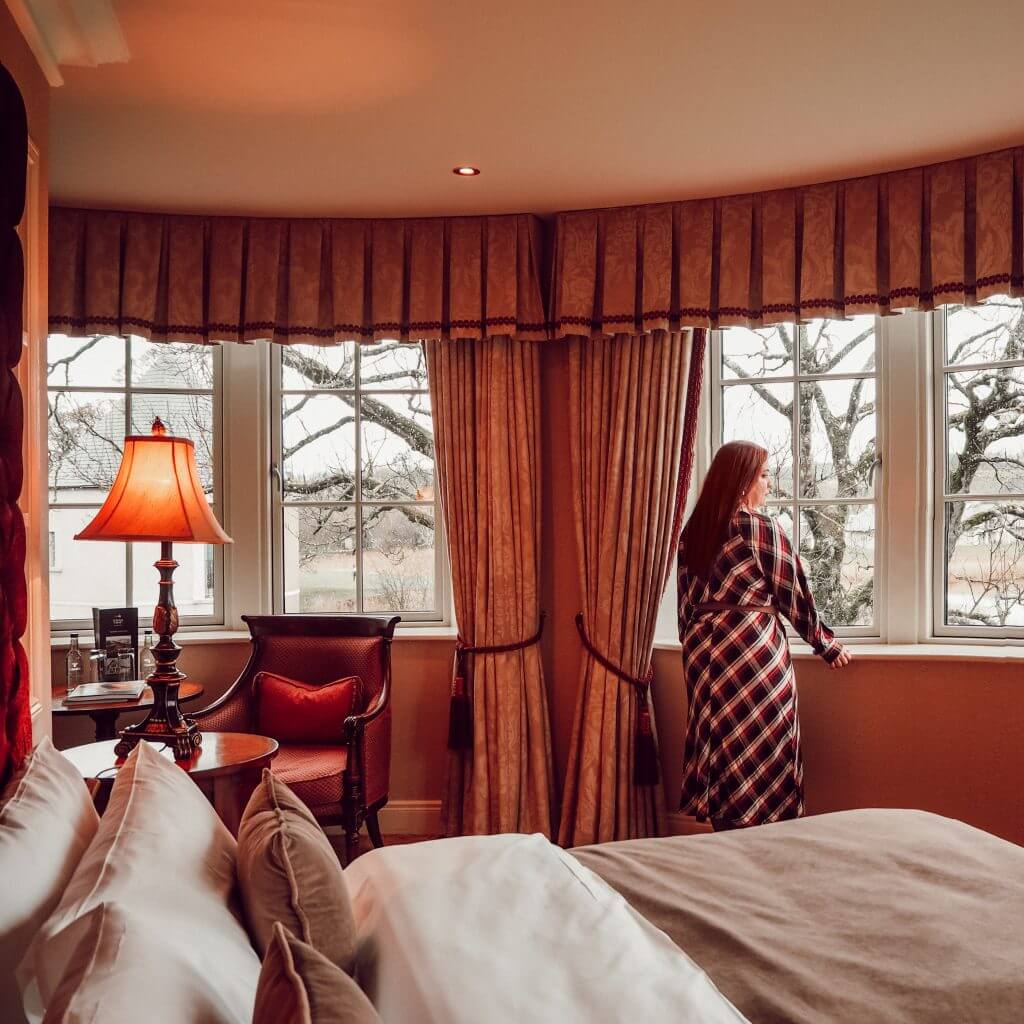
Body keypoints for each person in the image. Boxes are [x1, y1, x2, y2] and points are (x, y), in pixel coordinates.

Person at [677, 440, 851, 831]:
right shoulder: (758, 527)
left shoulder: (695, 530)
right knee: (763, 744)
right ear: (742, 482)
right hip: (752, 653)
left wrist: (694, 651)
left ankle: (727, 830)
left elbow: (685, 604)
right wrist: (826, 644)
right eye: (765, 475)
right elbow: (793, 594)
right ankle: (767, 835)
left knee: (721, 746)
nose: (770, 484)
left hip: (705, 656)